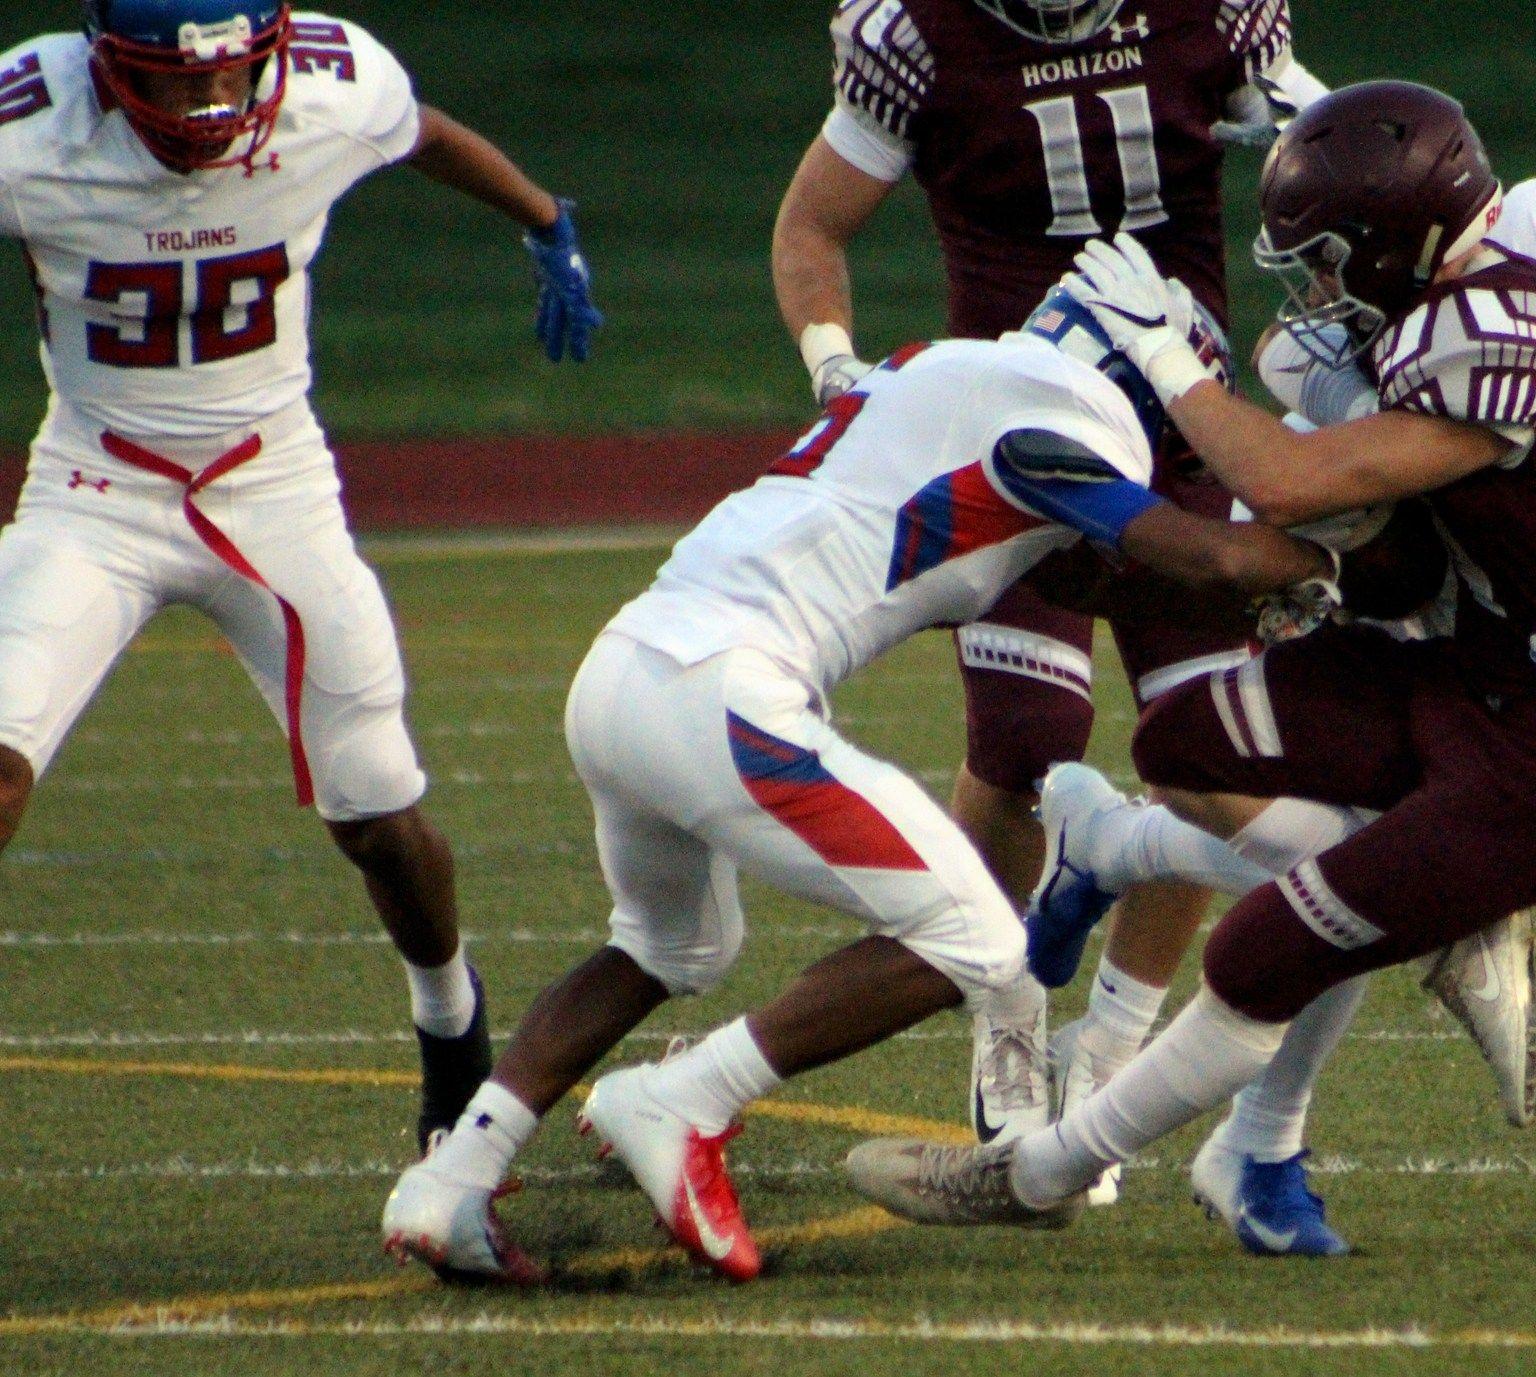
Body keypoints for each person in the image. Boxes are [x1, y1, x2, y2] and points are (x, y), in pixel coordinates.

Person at [845, 80, 1536, 1239]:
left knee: (1259, 949)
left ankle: (1031, 1175)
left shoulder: (1508, 332)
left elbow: (1289, 483)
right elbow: (1362, 503)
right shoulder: (1445, 304)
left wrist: (1170, 366)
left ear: (1404, 237)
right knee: (1181, 738)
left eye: (1333, 257)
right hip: (1459, 676)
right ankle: (1118, 845)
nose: (1319, 287)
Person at [380, 290, 1337, 1284]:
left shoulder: (935, 378)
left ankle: (455, 1175)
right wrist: (1335, 557)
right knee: (978, 939)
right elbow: (1213, 553)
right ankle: (684, 1097)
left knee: (670, 944)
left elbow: (1074, 572)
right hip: (722, 694)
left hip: (628, 666)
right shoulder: (1051, 415)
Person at [1024, 180, 1536, 1254]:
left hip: (1520, 629)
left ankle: (1135, 898)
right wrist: (1384, 447)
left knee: (1379, 868)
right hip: (1389, 523)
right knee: (1351, 846)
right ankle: (1246, 1130)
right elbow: (1312, 343)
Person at [0, 0, 602, 1149]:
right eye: (170, 84)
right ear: (105, 70)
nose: (204, 106)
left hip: (272, 483)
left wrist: (541, 220)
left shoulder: (329, 89)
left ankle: (450, 1025)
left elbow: (421, 131)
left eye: (225, 78)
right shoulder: (31, 126)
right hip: (93, 490)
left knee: (377, 808)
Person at [771, 0, 1330, 1156]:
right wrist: (840, 375)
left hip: (1184, 432)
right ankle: (1007, 1013)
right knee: (1026, 739)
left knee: (1210, 747)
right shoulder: (920, 35)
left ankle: (1109, 1054)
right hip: (1019, 445)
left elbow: (1330, 159)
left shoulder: (1208, 17)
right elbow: (812, 227)